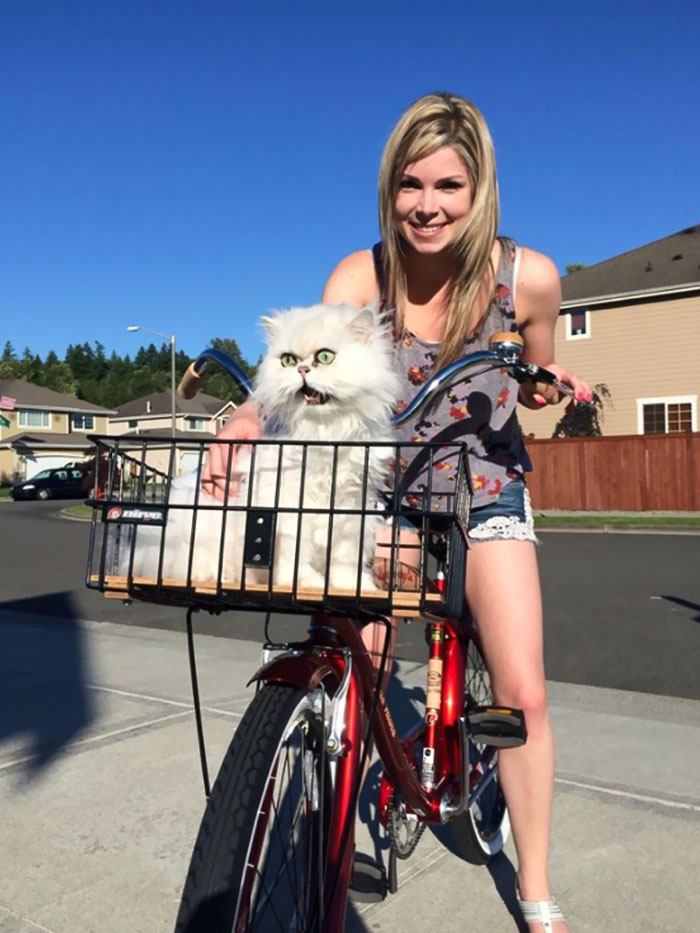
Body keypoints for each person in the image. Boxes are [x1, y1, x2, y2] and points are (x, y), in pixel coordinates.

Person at [203, 92, 591, 933]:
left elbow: (536, 379)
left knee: (520, 690)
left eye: (449, 186)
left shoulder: (528, 278)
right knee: (355, 656)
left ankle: (535, 885)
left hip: (484, 488)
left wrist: (546, 386)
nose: (427, 205)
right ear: (390, 187)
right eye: (410, 184)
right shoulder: (360, 277)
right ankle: (328, 828)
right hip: (382, 487)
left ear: (479, 188)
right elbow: (304, 374)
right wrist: (245, 417)